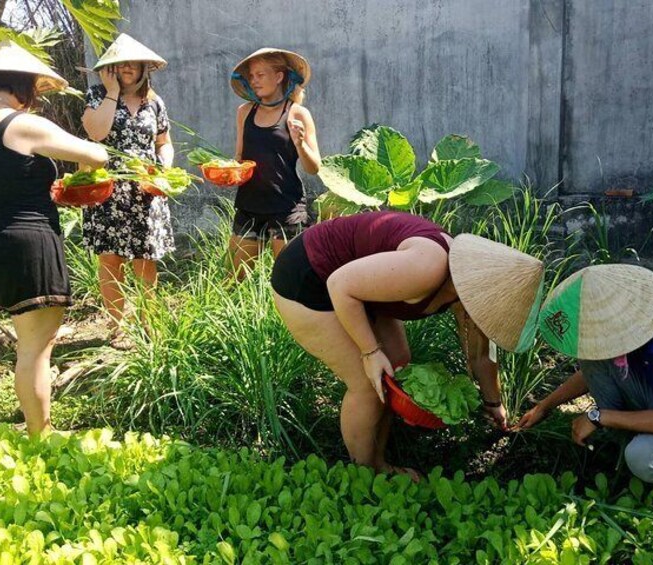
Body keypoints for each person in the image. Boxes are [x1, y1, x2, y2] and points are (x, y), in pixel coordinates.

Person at [271, 211, 544, 479]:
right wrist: (370, 352)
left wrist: (493, 403)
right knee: (366, 384)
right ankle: (366, 473)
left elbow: (481, 354)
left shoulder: (468, 292)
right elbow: (340, 285)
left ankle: (377, 450)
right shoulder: (427, 267)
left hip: (354, 284)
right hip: (309, 277)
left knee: (397, 365)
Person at [0, 41, 108, 435]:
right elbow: (98, 156)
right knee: (36, 348)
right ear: (24, 86)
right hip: (29, 238)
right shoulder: (22, 124)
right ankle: (42, 434)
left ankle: (37, 426)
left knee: (28, 342)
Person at [516, 264, 653, 485]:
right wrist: (544, 406)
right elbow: (589, 373)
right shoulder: (629, 334)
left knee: (642, 458)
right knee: (593, 359)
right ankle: (624, 441)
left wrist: (599, 417)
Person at [81, 34, 174, 342]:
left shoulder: (155, 102)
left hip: (146, 190)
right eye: (121, 63)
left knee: (145, 259)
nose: (128, 67)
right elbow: (96, 133)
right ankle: (114, 328)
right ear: (111, 68)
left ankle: (150, 324)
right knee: (110, 259)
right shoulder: (96, 95)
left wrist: (165, 167)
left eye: (134, 63)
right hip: (108, 191)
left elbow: (164, 142)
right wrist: (111, 93)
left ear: (144, 67)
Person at [229, 48, 321, 278]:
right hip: (249, 205)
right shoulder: (245, 112)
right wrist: (228, 172)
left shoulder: (298, 114)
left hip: (287, 207)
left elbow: (314, 167)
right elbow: (239, 158)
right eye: (251, 76)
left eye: (260, 75)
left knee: (288, 281)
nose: (254, 81)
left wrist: (300, 143)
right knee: (235, 278)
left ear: (279, 76)